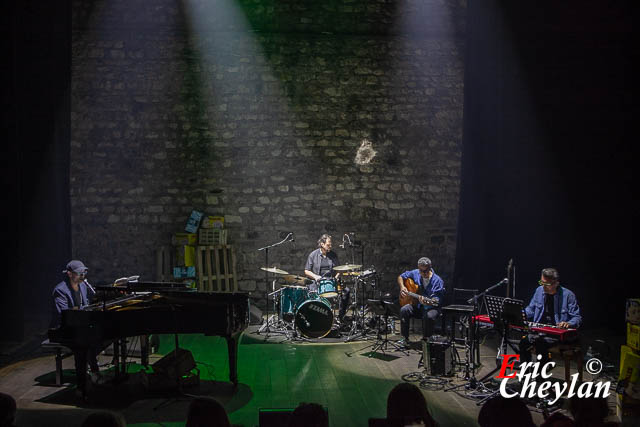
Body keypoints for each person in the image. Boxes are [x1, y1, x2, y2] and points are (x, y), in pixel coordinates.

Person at [50, 260, 100, 396]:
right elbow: (64, 314)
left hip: (79, 325)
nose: (82, 275)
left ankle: (94, 371)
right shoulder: (60, 290)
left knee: (98, 337)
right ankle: (81, 385)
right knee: (83, 343)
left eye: (84, 272)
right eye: (79, 273)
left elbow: (84, 306)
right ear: (69, 274)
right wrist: (81, 311)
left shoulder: (83, 285)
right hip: (62, 329)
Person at [519, 268, 581, 363]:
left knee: (541, 344)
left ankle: (540, 375)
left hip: (556, 335)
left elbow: (577, 318)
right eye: (541, 282)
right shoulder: (539, 291)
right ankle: (526, 374)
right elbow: (530, 309)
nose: (543, 286)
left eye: (546, 284)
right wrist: (521, 314)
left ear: (556, 283)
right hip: (539, 332)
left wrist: (568, 323)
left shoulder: (568, 295)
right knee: (523, 343)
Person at [397, 257, 444, 345]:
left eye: (425, 271)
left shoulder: (437, 281)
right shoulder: (416, 273)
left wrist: (427, 302)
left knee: (429, 316)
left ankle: (426, 341)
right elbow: (401, 276)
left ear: (430, 268)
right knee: (404, 310)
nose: (422, 273)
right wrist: (402, 287)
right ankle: (404, 338)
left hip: (432, 307)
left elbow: (436, 301)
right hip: (419, 306)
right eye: (420, 271)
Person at [304, 234, 350, 321]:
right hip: (317, 282)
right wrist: (315, 276)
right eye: (328, 245)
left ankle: (341, 317)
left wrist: (336, 277)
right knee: (312, 292)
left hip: (331, 282)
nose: (330, 246)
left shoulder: (333, 255)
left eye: (330, 244)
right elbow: (306, 271)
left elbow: (339, 269)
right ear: (322, 244)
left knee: (346, 291)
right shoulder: (313, 255)